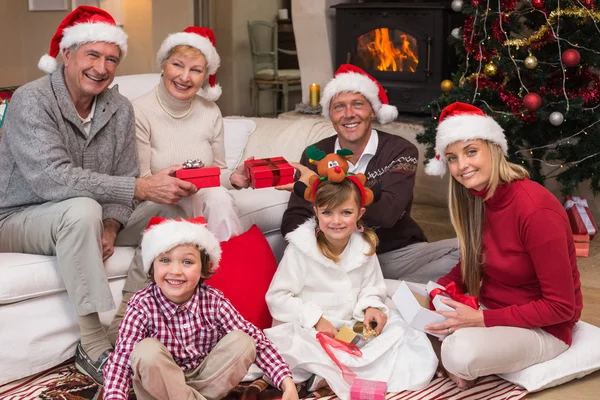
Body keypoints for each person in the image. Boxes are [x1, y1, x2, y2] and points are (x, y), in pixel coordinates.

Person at [0, 6, 195, 384]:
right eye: (92, 55)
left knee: (169, 211)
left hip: (87, 217)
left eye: (111, 59)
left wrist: (110, 224)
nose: (102, 68)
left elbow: (123, 175)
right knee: (81, 208)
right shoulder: (31, 100)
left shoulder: (119, 107)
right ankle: (91, 345)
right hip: (16, 218)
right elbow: (52, 180)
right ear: (67, 55)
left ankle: (129, 325)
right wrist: (134, 189)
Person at [422, 102, 582, 389]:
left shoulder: (535, 211)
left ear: (494, 148)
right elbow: (472, 263)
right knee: (391, 295)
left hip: (542, 329)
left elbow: (561, 307)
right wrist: (440, 289)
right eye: (452, 158)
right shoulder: (477, 199)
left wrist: (481, 319)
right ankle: (440, 350)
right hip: (486, 309)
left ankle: (442, 355)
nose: (462, 166)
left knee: (459, 352)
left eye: (471, 151)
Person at [265, 158, 438, 398]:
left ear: (359, 213)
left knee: (399, 328)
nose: (336, 221)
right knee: (295, 347)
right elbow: (277, 297)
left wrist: (370, 307)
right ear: (316, 212)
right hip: (312, 329)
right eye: (327, 212)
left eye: (346, 212)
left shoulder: (364, 247)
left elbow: (372, 286)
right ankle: (325, 372)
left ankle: (333, 373)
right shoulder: (300, 249)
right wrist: (315, 319)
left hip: (350, 326)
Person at [281, 64, 459, 283]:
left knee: (467, 251)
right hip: (335, 257)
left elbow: (387, 214)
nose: (348, 114)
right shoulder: (315, 155)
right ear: (330, 115)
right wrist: (321, 253)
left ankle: (386, 292)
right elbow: (293, 218)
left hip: (390, 253)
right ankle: (380, 292)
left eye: (357, 104)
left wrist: (318, 186)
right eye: (339, 107)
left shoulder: (401, 150)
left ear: (372, 110)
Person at [103, 217, 299, 400]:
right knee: (146, 350)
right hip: (158, 385)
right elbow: (121, 361)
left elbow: (258, 341)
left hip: (205, 380)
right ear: (152, 267)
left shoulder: (214, 301)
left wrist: (287, 383)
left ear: (204, 268)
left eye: (187, 262)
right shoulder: (141, 304)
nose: (176, 271)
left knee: (244, 341)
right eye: (165, 260)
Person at [133, 26, 248, 242]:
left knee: (218, 197)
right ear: (163, 65)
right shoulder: (138, 111)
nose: (185, 77)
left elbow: (216, 173)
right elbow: (142, 182)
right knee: (204, 199)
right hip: (157, 204)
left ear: (205, 75)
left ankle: (229, 265)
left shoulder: (210, 111)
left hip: (203, 198)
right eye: (177, 65)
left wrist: (232, 177)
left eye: (196, 70)